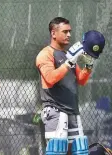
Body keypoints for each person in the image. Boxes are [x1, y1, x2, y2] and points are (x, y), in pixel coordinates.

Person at [36, 17, 105, 155]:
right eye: (65, 31)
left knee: (80, 150)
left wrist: (88, 65)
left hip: (72, 110)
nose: (69, 35)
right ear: (53, 33)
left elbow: (81, 80)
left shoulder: (67, 55)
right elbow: (50, 78)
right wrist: (69, 62)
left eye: (70, 31)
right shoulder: (45, 54)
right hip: (55, 110)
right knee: (57, 151)